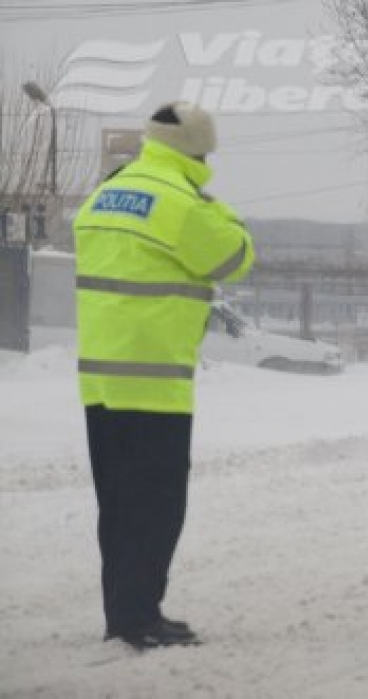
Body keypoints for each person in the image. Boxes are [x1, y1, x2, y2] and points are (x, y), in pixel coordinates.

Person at [73, 102, 255, 648]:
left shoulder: (106, 193)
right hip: (153, 382)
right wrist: (218, 210)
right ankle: (140, 618)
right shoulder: (180, 203)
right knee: (157, 506)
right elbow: (235, 256)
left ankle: (122, 611)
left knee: (119, 504)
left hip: (100, 380)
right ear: (193, 152)